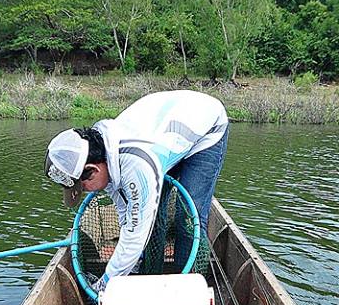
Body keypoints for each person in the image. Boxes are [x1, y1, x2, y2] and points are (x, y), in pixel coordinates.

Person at [44, 90, 229, 294]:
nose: (84, 191)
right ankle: (147, 268)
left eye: (82, 186)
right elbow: (126, 211)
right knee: (153, 213)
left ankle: (183, 288)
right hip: (164, 133)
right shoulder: (105, 155)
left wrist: (105, 285)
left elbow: (135, 236)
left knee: (186, 215)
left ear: (93, 170)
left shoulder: (138, 166)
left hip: (206, 126)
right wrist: (124, 265)